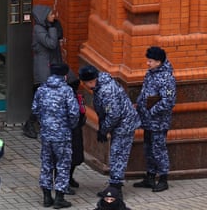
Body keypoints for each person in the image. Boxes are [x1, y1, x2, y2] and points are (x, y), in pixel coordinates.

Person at [78, 65, 141, 198]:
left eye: (87, 83)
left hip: (124, 125)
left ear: (91, 80)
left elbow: (114, 114)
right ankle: (114, 185)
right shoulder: (101, 84)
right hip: (120, 123)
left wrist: (104, 130)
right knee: (117, 153)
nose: (87, 86)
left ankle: (115, 188)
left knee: (118, 154)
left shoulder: (106, 90)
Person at [32, 63, 79, 208]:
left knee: (46, 164)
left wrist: (44, 124)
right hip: (62, 135)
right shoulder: (67, 91)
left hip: (46, 135)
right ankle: (59, 198)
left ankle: (46, 197)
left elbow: (35, 110)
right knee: (63, 165)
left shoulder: (41, 89)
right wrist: (69, 126)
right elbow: (74, 113)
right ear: (65, 75)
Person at [133, 46, 176, 192]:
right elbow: (144, 92)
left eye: (150, 61)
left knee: (159, 150)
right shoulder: (150, 73)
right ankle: (150, 177)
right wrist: (139, 107)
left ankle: (163, 179)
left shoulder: (166, 78)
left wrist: (151, 111)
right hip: (147, 121)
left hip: (158, 122)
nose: (148, 63)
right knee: (148, 149)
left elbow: (168, 101)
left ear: (158, 62)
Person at [23, 5, 64, 139]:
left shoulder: (43, 28)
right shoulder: (38, 29)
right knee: (42, 97)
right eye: (51, 14)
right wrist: (52, 28)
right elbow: (51, 44)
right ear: (43, 16)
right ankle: (30, 124)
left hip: (49, 65)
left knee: (45, 97)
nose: (54, 16)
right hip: (43, 68)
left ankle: (38, 123)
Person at [66, 73, 87, 194]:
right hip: (67, 130)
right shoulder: (66, 95)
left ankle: (69, 178)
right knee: (65, 158)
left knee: (75, 156)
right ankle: (63, 182)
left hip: (75, 130)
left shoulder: (76, 95)